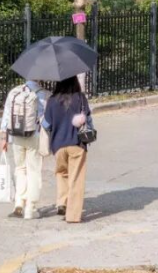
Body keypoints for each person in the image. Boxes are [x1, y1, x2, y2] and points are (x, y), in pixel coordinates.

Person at [44, 75, 92, 223]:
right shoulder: (80, 98)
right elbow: (88, 119)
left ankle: (62, 202)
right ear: (75, 82)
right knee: (76, 178)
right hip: (76, 143)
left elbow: (46, 124)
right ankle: (72, 215)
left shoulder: (52, 100)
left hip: (58, 145)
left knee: (61, 173)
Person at [0, 80, 49, 219]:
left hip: (16, 135)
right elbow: (45, 119)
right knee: (33, 170)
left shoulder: (14, 92)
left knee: (20, 168)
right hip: (34, 135)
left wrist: (4, 137)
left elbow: (7, 115)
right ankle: (31, 208)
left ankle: (19, 203)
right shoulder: (42, 94)